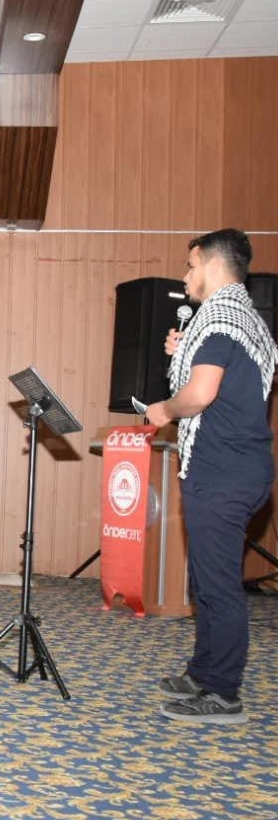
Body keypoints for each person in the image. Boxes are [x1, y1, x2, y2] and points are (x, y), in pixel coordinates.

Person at [148, 229, 277, 724]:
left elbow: (201, 395)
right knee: (206, 578)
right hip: (234, 469)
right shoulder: (243, 318)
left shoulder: (221, 320)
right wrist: (183, 352)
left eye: (190, 266)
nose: (185, 277)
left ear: (210, 263)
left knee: (218, 585)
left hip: (223, 472)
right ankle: (203, 673)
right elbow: (229, 382)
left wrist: (164, 408)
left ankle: (223, 693)